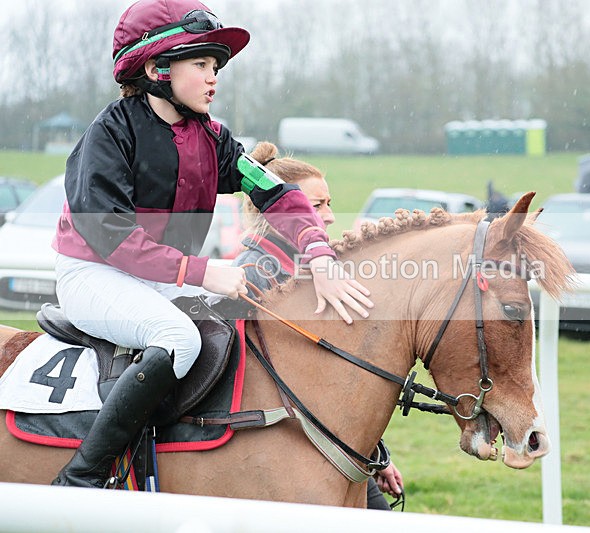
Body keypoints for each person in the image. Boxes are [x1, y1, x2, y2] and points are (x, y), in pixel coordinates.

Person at [51, 0, 372, 488]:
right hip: (93, 275)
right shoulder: (108, 135)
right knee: (179, 338)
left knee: (246, 325)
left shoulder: (216, 141)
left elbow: (279, 194)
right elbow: (112, 239)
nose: (213, 77)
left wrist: (320, 256)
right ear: (158, 68)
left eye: (215, 66)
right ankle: (83, 476)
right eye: (200, 64)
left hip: (157, 279)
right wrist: (201, 272)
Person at [232, 142, 404, 510]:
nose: (327, 216)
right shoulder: (251, 274)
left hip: (331, 446)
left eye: (329, 204)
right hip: (280, 456)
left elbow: (332, 381)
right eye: (316, 206)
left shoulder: (314, 270)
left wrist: (377, 453)